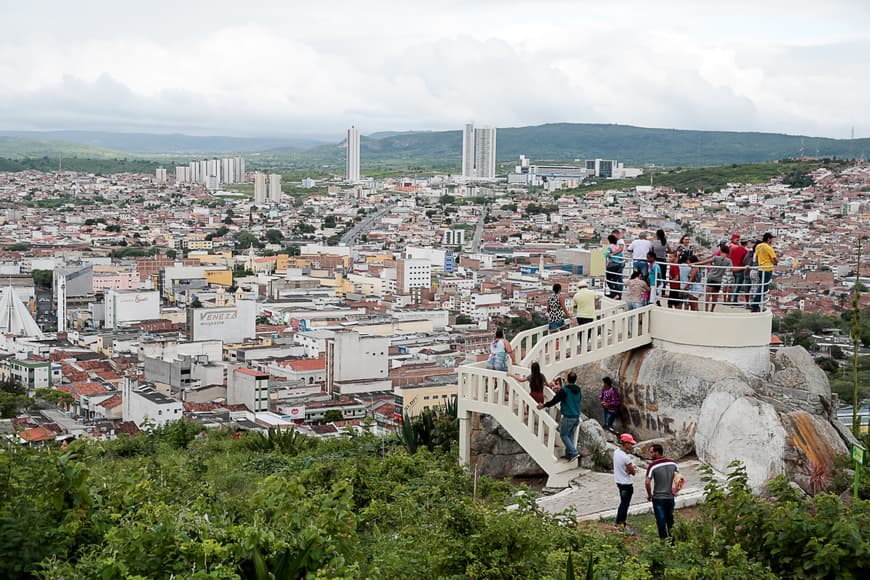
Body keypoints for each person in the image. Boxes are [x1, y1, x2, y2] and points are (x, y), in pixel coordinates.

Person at [538, 371, 582, 461]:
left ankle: (574, 453)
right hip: (576, 417)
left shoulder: (565, 390)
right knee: (570, 436)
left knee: (563, 435)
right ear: (575, 380)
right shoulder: (579, 390)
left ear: (567, 379)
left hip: (568, 417)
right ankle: (568, 455)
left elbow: (555, 400)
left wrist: (544, 405)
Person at [645, 443, 679, 541]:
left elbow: (647, 482)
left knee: (661, 521)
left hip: (658, 497)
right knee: (670, 520)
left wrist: (649, 495)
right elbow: (679, 478)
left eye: (651, 452)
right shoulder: (673, 463)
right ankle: (673, 540)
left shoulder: (653, 466)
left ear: (657, 452)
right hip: (670, 497)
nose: (650, 454)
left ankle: (664, 542)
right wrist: (675, 491)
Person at [613, 433, 637, 532]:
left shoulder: (616, 452)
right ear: (626, 443)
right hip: (626, 484)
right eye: (630, 443)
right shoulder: (625, 457)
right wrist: (631, 469)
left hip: (619, 481)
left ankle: (619, 522)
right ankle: (621, 523)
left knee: (622, 503)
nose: (631, 445)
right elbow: (633, 472)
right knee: (624, 504)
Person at [752, 232, 778, 312]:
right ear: (768, 239)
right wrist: (774, 262)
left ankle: (757, 304)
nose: (772, 240)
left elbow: (756, 257)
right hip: (767, 270)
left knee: (761, 287)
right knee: (763, 288)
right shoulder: (768, 248)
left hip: (760, 269)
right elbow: (775, 260)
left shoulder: (758, 246)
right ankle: (755, 305)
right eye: (771, 239)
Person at [704, 243, 732, 312]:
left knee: (708, 294)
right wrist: (745, 268)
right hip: (719, 279)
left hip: (711, 277)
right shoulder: (728, 261)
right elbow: (732, 269)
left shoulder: (716, 257)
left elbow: (705, 261)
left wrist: (693, 264)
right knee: (715, 296)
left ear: (721, 250)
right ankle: (712, 310)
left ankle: (706, 310)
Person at [728, 234, 748, 304]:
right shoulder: (745, 251)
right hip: (740, 269)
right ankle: (735, 300)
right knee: (738, 286)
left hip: (733, 269)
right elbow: (745, 261)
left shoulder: (734, 249)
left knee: (734, 285)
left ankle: (733, 299)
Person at [605, 234, 624, 299]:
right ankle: (617, 294)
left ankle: (613, 293)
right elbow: (621, 257)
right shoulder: (617, 247)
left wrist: (608, 254)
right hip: (619, 265)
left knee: (609, 280)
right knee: (616, 280)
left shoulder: (610, 247)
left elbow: (606, 254)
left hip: (612, 265)